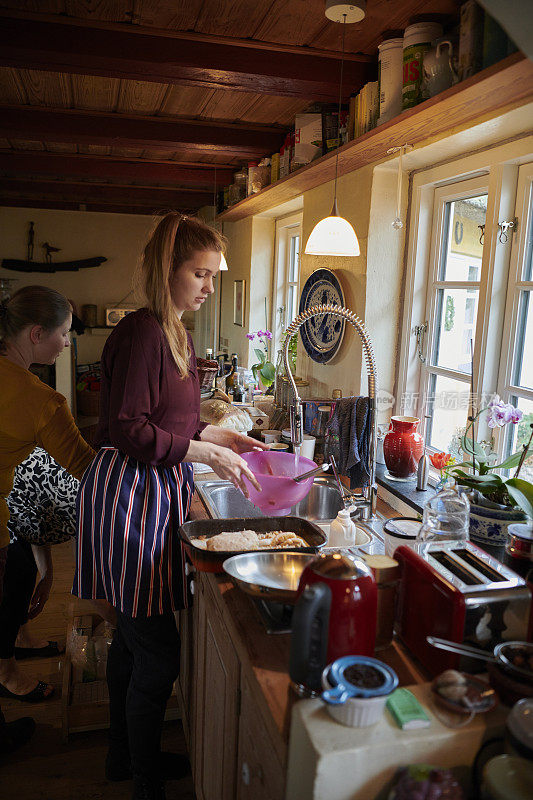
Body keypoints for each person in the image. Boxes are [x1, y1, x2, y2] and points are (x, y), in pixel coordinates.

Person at [73, 212, 266, 800]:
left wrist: (220, 437)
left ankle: (123, 757)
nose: (210, 287)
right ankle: (143, 777)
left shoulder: (174, 329)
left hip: (151, 491)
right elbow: (130, 428)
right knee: (157, 653)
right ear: (168, 270)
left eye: (214, 275)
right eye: (200, 274)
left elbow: (168, 417)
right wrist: (201, 450)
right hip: (130, 495)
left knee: (136, 642)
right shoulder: (142, 332)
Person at [0, 285, 94, 751]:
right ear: (36, 334)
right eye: (63, 333)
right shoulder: (41, 400)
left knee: (18, 566)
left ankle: (7, 669)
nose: (67, 343)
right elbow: (89, 468)